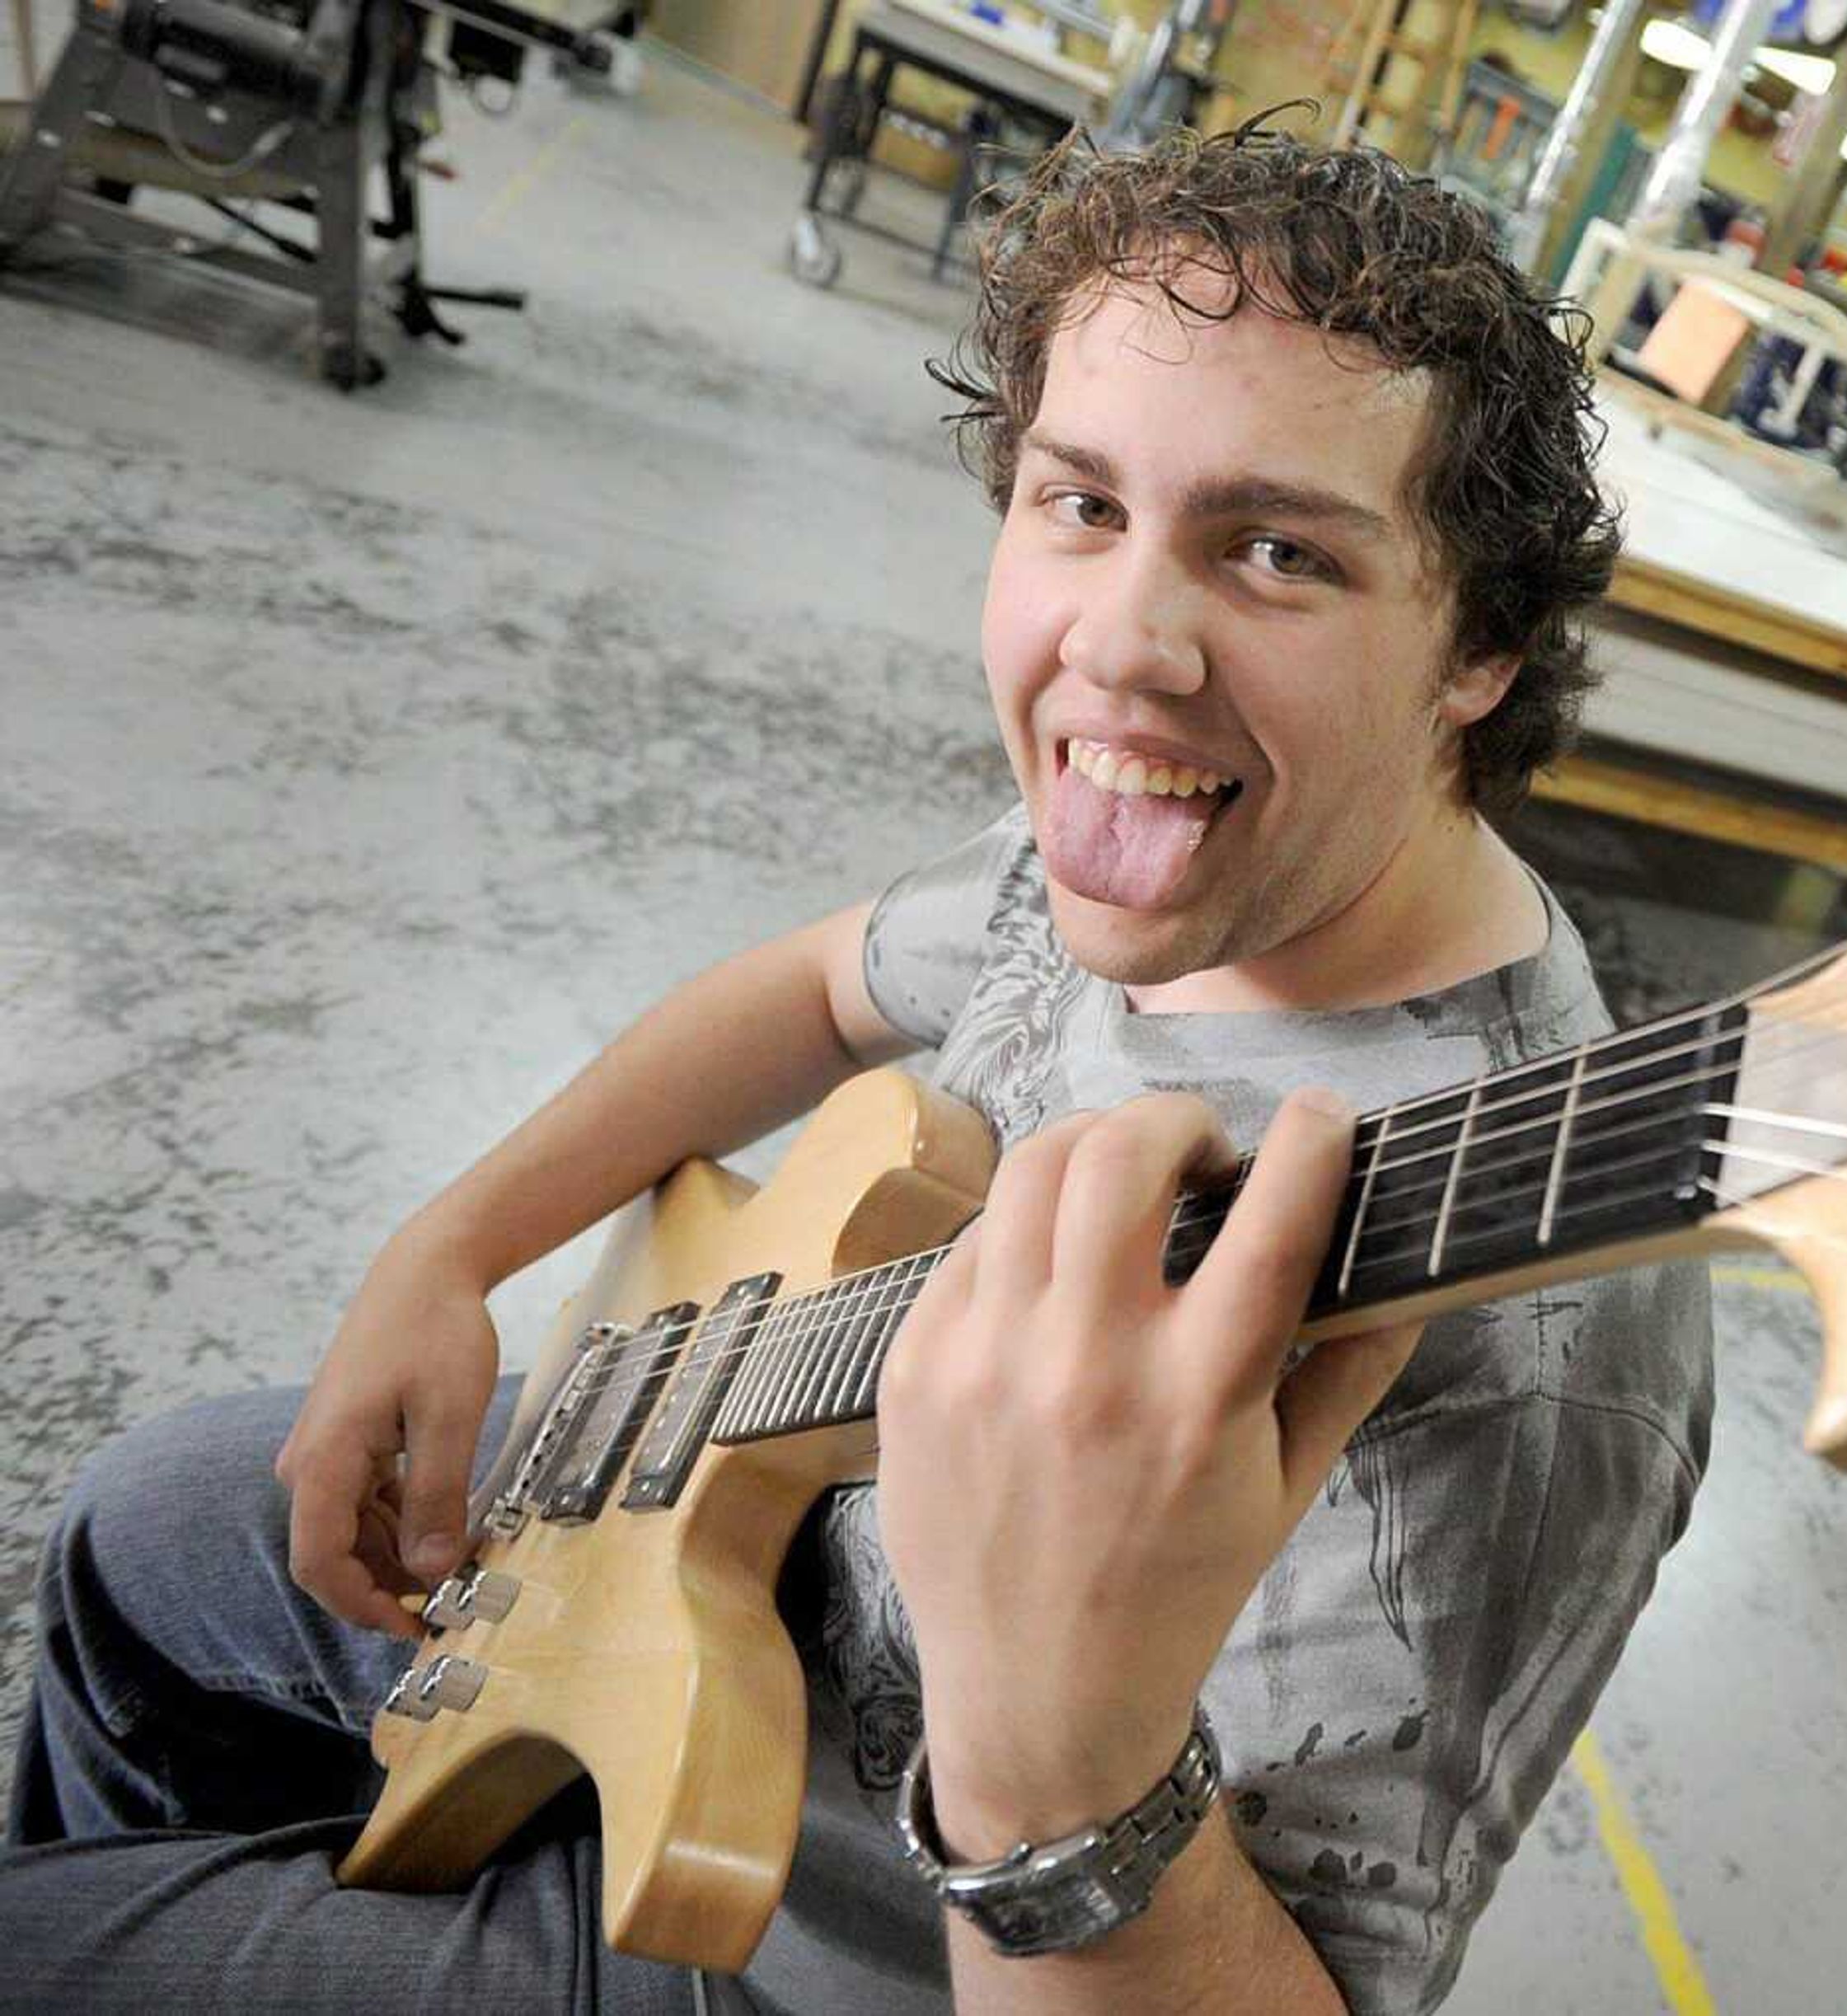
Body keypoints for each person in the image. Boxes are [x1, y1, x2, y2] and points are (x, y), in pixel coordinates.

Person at [0, 121, 1715, 2016]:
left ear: (1478, 646)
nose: (1120, 646)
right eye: (1080, 504)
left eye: (1278, 549)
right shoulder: (1161, 835)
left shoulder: (1530, 1341)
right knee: (141, 1525)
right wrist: (453, 1243)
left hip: (808, 1951)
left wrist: (1058, 1756)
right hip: (693, 1542)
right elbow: (820, 987)